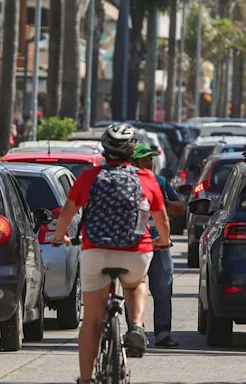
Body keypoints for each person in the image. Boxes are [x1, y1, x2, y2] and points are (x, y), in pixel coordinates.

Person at [50, 124, 170, 384]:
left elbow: (69, 211)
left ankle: (85, 379)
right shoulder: (145, 178)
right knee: (137, 283)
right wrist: (164, 240)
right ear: (132, 152)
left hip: (96, 252)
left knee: (92, 320)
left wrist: (59, 238)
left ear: (105, 150)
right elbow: (162, 219)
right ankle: (136, 325)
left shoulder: (90, 176)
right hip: (135, 253)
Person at [133, 143, 184, 348]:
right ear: (134, 162)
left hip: (160, 247)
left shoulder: (160, 181)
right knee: (134, 289)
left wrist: (163, 202)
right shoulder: (127, 182)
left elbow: (180, 208)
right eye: (145, 158)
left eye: (151, 158)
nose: (150, 162)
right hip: (134, 247)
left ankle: (163, 333)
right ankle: (135, 331)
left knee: (163, 290)